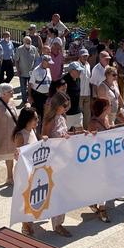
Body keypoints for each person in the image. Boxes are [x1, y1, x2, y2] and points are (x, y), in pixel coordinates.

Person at [41, 91, 73, 237]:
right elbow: (44, 137)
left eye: (67, 106)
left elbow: (64, 134)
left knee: (63, 192)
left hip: (64, 159)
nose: (66, 108)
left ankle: (58, 221)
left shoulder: (62, 118)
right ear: (57, 105)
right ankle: (58, 223)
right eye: (64, 106)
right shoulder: (51, 119)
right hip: (54, 161)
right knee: (58, 193)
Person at [28, 54, 54, 126]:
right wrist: (30, 96)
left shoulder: (48, 70)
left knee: (45, 114)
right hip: (38, 96)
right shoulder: (36, 70)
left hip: (46, 96)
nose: (50, 64)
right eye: (49, 63)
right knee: (38, 115)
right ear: (44, 61)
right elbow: (30, 84)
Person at [14, 36, 38, 106]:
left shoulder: (34, 48)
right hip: (22, 72)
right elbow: (16, 61)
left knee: (32, 87)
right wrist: (18, 70)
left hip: (31, 73)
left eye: (29, 42)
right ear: (24, 42)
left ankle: (31, 100)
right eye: (27, 42)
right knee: (23, 88)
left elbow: (37, 59)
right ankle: (24, 101)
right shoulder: (19, 49)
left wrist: (35, 69)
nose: (28, 43)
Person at [62, 62, 84, 130]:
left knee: (81, 133)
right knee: (64, 135)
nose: (80, 72)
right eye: (78, 70)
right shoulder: (64, 81)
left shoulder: (78, 79)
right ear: (71, 70)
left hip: (77, 111)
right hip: (67, 114)